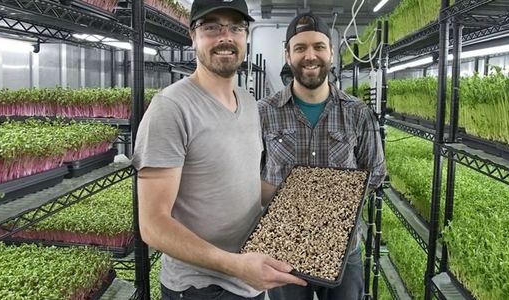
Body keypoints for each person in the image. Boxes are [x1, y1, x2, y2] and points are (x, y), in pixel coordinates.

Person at [132, 0, 307, 299]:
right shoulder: (171, 108)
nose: (225, 37)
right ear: (193, 36)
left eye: (236, 28)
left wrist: (293, 195)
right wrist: (235, 265)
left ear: (246, 36)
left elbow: (243, 182)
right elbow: (153, 225)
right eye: (211, 27)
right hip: (201, 288)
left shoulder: (249, 102)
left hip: (250, 278)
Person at [258, 12, 387, 300]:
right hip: (283, 249)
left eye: (318, 46)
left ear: (331, 53)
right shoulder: (263, 112)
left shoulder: (357, 113)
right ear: (287, 55)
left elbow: (376, 173)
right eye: (300, 47)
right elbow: (248, 176)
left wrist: (331, 206)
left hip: (344, 248)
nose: (310, 55)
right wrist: (289, 202)